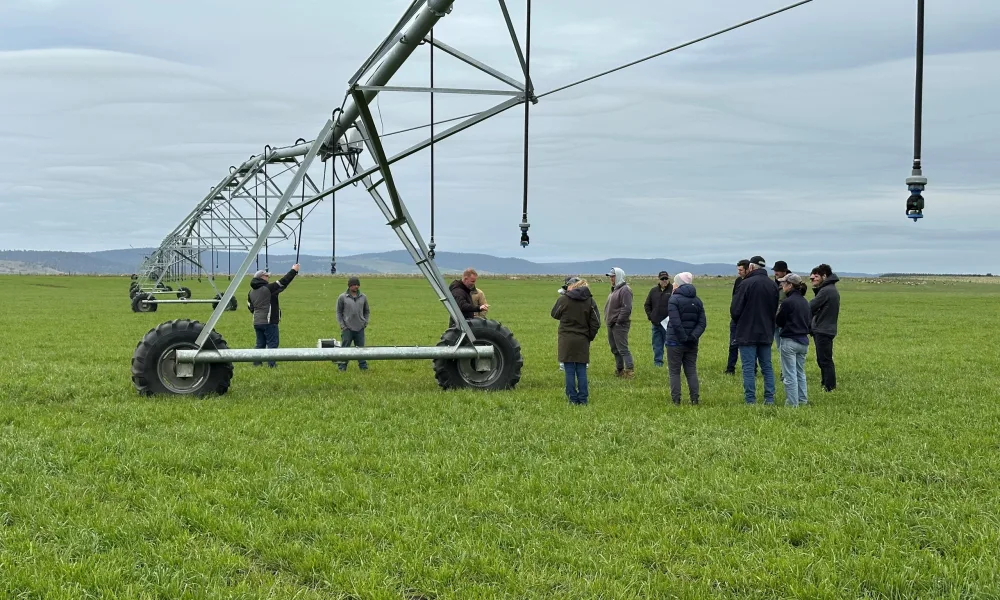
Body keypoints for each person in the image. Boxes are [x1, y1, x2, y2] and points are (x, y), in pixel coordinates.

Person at [730, 255, 778, 404]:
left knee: (748, 368)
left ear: (751, 267)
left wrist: (741, 322)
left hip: (747, 332)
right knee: (767, 367)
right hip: (766, 331)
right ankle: (769, 398)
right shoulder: (772, 285)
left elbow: (735, 310)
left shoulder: (745, 284)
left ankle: (750, 400)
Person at [551, 277, 601, 405]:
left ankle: (572, 398)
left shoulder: (564, 299)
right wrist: (589, 336)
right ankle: (583, 398)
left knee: (569, 370)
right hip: (582, 339)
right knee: (581, 369)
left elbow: (554, 314)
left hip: (566, 339)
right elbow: (596, 322)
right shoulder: (590, 301)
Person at [247, 263, 300, 367]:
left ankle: (257, 363)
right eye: (267, 276)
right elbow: (283, 282)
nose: (268, 277)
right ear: (261, 278)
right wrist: (294, 270)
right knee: (272, 344)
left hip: (257, 322)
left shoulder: (251, 292)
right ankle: (271, 365)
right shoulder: (268, 288)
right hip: (269, 321)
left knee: (260, 344)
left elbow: (250, 306)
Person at [665, 272, 706, 405]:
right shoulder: (697, 300)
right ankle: (695, 399)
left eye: (675, 282)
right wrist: (693, 336)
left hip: (674, 341)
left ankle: (676, 400)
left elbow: (675, 322)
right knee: (691, 371)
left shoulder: (673, 300)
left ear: (679, 284)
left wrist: (683, 337)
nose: (673, 284)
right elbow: (702, 323)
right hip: (692, 343)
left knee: (674, 372)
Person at [775, 273, 810, 407]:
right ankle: (802, 400)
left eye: (784, 283)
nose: (782, 285)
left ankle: (792, 404)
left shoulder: (787, 302)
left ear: (790, 285)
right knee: (800, 373)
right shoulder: (804, 301)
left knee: (789, 375)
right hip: (803, 341)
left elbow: (779, 320)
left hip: (790, 341)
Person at [809, 263, 841, 392]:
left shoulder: (826, 290)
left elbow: (811, 306)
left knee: (824, 360)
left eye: (815, 277)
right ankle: (825, 383)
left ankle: (829, 386)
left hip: (823, 329)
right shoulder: (830, 289)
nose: (813, 280)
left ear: (824, 276)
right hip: (827, 328)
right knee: (823, 358)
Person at [604, 267, 634, 378]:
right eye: (610, 276)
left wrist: (619, 321)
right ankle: (619, 369)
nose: (611, 278)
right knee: (614, 348)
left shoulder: (625, 289)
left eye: (613, 276)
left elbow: (626, 308)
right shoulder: (615, 289)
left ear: (619, 276)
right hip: (611, 323)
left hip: (619, 324)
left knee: (623, 348)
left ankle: (629, 370)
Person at [336, 276, 371, 371]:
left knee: (361, 349)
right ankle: (342, 367)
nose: (357, 287)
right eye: (354, 285)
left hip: (360, 328)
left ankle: (363, 368)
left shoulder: (363, 297)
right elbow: (339, 312)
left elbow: (367, 311)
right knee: (345, 349)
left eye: (358, 285)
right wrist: (342, 325)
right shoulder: (342, 297)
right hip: (347, 328)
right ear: (350, 286)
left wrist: (365, 322)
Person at [724, 259, 750, 375]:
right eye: (738, 270)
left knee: (749, 345)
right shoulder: (738, 281)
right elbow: (735, 298)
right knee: (733, 344)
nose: (739, 272)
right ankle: (730, 369)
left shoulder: (751, 282)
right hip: (736, 318)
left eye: (741, 270)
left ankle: (751, 369)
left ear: (747, 269)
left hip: (747, 319)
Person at [643, 270, 673, 368]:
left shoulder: (673, 290)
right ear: (659, 279)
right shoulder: (653, 291)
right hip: (656, 324)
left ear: (668, 279)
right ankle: (658, 363)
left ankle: (672, 363)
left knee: (671, 345)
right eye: (662, 279)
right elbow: (647, 305)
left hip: (669, 324)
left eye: (666, 279)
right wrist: (651, 317)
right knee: (657, 345)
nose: (664, 280)